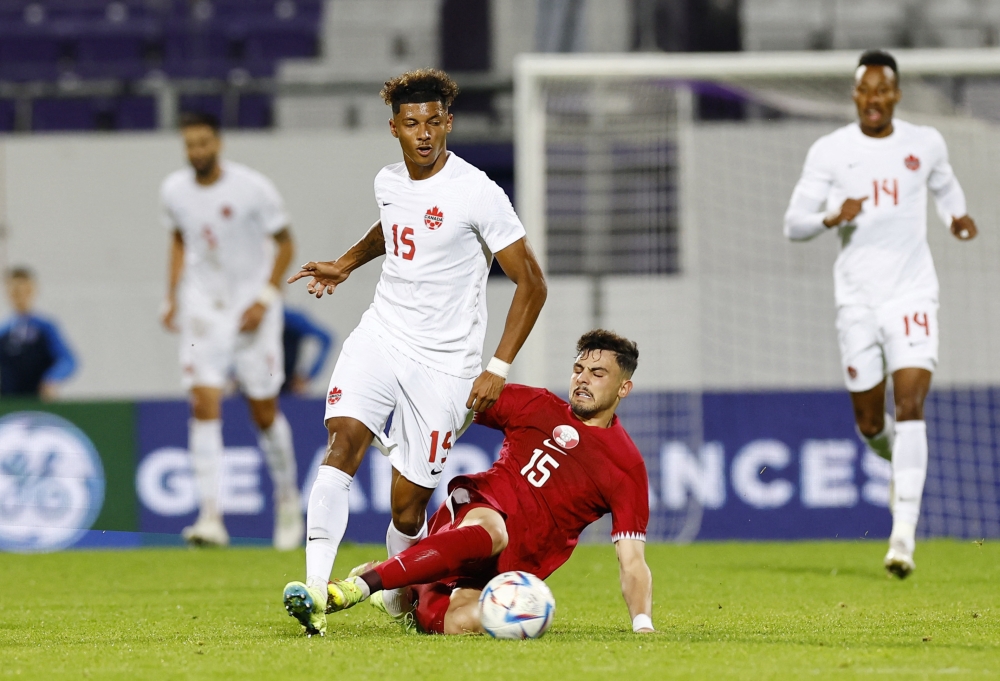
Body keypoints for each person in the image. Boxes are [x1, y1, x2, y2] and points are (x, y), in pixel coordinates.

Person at [282, 68, 547, 636]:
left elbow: (532, 283)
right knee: (342, 442)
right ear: (394, 129)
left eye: (432, 122)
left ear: (448, 123)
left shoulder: (478, 191)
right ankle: (314, 595)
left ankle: (400, 596)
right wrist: (346, 263)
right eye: (411, 123)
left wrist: (497, 368)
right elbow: (392, 225)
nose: (423, 133)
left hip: (446, 366)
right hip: (381, 336)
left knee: (408, 506)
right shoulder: (388, 180)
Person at [310, 330, 653, 637]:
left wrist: (643, 626)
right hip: (477, 513)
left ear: (624, 387)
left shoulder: (626, 466)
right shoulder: (537, 405)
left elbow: (632, 562)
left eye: (597, 374)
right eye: (578, 370)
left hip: (504, 571)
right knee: (494, 531)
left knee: (463, 622)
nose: (583, 380)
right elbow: (458, 399)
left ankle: (408, 590)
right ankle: (358, 586)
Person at [783, 50, 978, 578]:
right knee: (871, 423)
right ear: (855, 96)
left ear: (895, 94)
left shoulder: (925, 143)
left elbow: (943, 183)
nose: (873, 98)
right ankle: (895, 461)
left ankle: (903, 537)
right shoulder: (831, 151)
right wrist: (831, 215)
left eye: (882, 89)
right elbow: (793, 224)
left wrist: (955, 214)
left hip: (912, 293)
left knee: (911, 401)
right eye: (864, 90)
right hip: (857, 301)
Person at [160, 111, 303, 551]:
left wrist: (265, 297)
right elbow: (181, 240)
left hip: (251, 308)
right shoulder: (173, 191)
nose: (197, 151)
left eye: (203, 142)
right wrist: (172, 297)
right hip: (204, 309)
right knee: (203, 402)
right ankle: (210, 517)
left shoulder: (252, 188)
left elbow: (285, 244)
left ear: (218, 142)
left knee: (263, 411)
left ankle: (287, 504)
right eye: (190, 144)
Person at [0, 267, 77, 399]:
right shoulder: (4, 331)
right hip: (8, 401)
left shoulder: (45, 327)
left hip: (38, 399)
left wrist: (51, 379)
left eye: (24, 290)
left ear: (32, 290)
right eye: (15, 292)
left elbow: (67, 360)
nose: (19, 296)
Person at [281, 307, 335, 395]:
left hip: (286, 384)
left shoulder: (288, 317)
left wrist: (309, 376)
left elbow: (325, 339)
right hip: (256, 380)